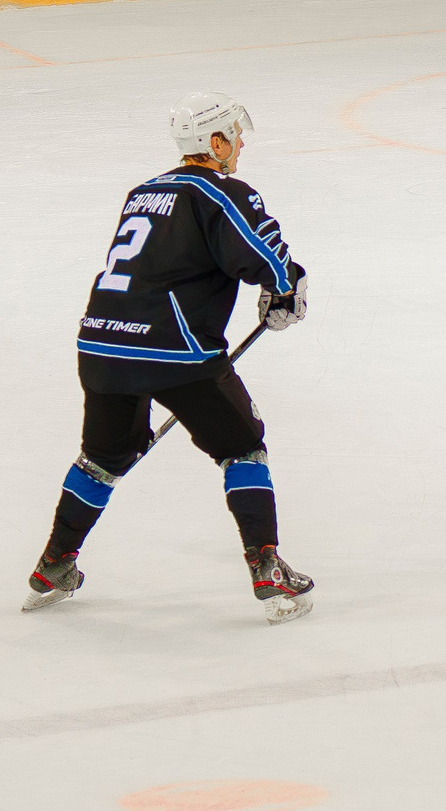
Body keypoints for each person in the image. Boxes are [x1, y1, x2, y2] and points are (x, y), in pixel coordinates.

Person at [23, 92, 316, 622]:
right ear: (216, 143)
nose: (242, 143)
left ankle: (54, 562)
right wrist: (285, 285)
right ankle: (266, 565)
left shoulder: (143, 192)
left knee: (102, 459)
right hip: (173, 348)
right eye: (235, 133)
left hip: (102, 342)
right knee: (243, 449)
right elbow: (261, 255)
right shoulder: (221, 192)